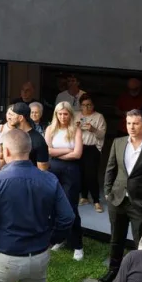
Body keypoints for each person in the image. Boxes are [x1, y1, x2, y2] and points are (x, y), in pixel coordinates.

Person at [0, 128, 75, 282]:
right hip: (38, 255)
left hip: (3, 255)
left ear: (6, 151)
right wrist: (52, 240)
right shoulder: (49, 179)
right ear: (29, 150)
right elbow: (67, 217)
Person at [99, 109, 142, 282]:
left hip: (141, 202)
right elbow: (110, 168)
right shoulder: (118, 142)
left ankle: (139, 275)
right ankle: (113, 270)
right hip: (117, 199)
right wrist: (107, 191)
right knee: (116, 238)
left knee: (141, 242)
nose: (131, 127)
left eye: (136, 123)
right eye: (129, 123)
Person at [46, 101, 85, 261]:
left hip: (71, 171)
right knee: (53, 206)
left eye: (65, 114)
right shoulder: (50, 129)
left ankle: (78, 245)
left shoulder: (76, 130)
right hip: (53, 170)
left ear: (70, 114)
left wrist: (57, 153)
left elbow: (77, 154)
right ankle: (59, 238)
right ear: (56, 114)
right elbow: (47, 150)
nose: (62, 117)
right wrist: (67, 150)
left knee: (70, 207)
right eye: (60, 114)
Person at [0, 103, 50, 171]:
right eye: (9, 114)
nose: (9, 117)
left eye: (12, 115)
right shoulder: (11, 135)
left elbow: (43, 170)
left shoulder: (38, 140)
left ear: (20, 118)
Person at [77, 94, 107, 212]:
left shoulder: (99, 117)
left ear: (93, 105)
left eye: (89, 105)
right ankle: (84, 197)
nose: (86, 107)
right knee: (81, 173)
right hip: (79, 147)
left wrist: (93, 129)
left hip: (92, 148)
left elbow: (102, 134)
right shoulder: (76, 115)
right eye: (84, 105)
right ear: (80, 106)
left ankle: (96, 200)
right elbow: (69, 132)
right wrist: (76, 128)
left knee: (91, 174)